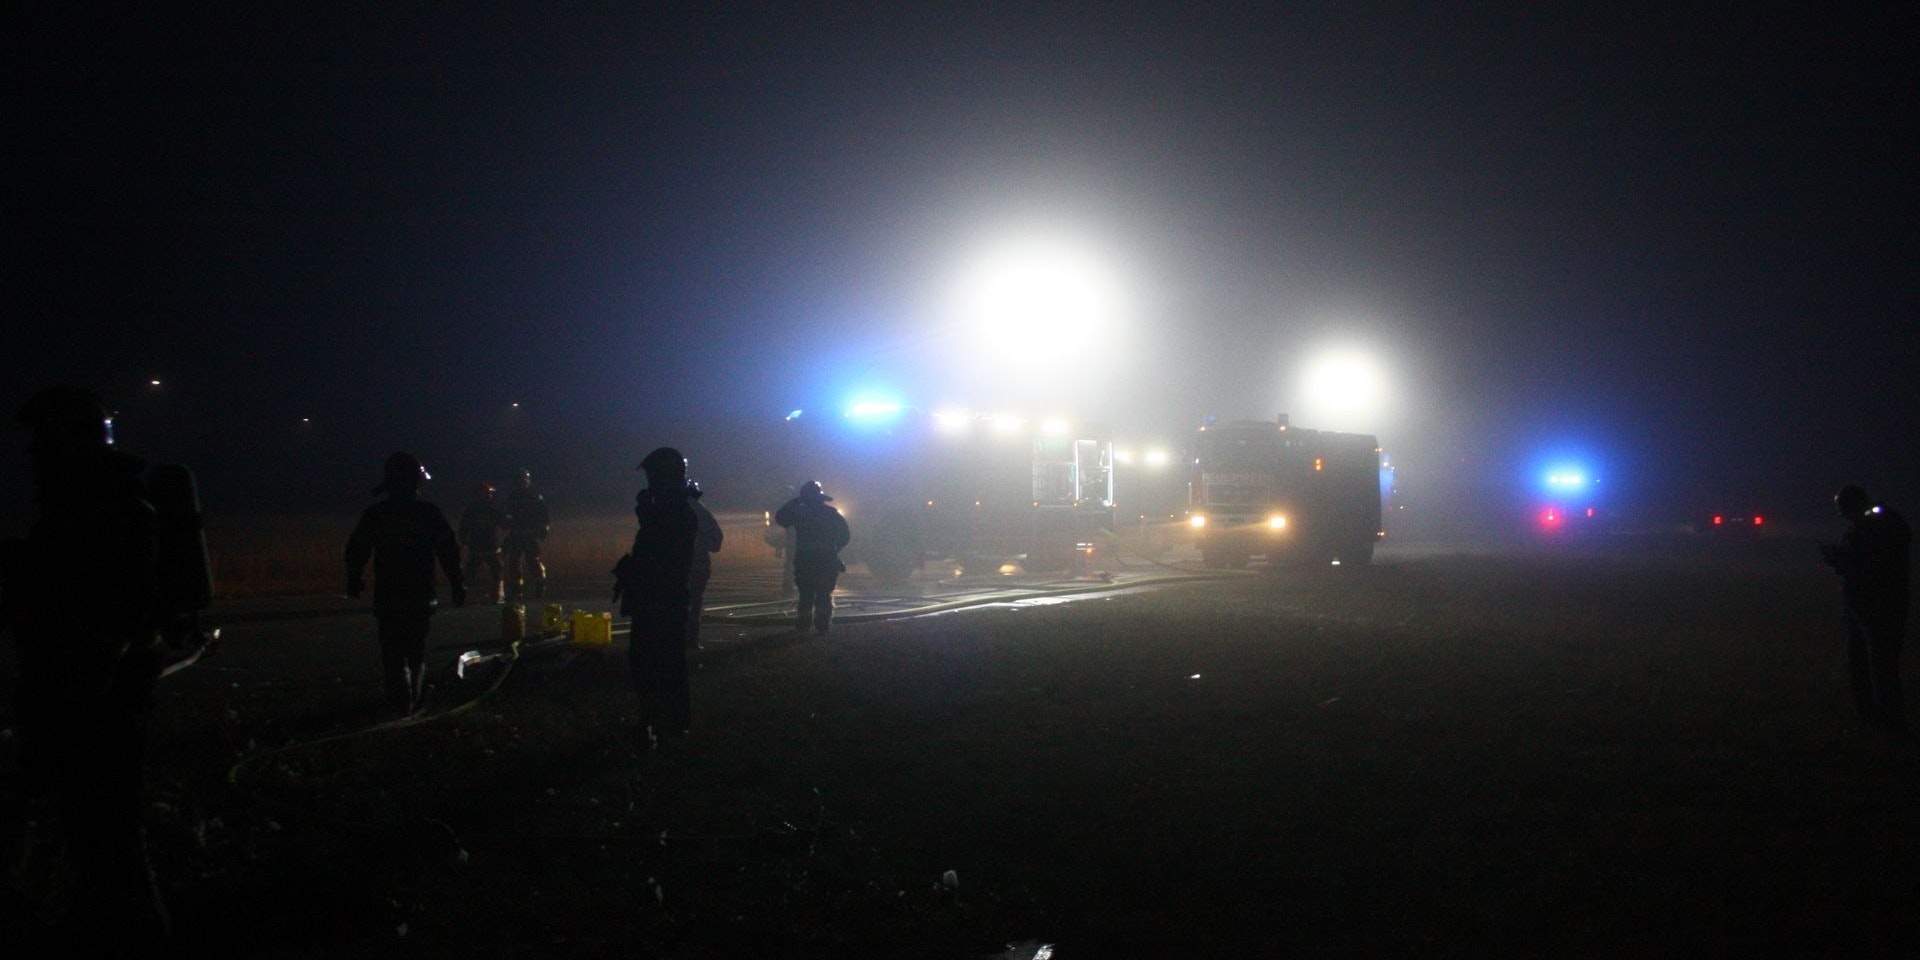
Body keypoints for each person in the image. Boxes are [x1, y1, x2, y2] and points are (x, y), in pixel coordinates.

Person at [2, 385, 171, 950]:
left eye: (43, 440)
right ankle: (107, 922)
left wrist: (80, 686)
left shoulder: (108, 511)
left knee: (107, 829)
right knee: (90, 829)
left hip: (97, 701)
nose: (33, 453)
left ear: (72, 441)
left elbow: (112, 608)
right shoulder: (80, 508)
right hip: (80, 693)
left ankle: (133, 933)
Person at [345, 452, 465, 717]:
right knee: (416, 650)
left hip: (388, 595)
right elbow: (448, 551)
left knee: (392, 651)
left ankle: (400, 702)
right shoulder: (428, 513)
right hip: (421, 595)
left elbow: (357, 549)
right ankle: (413, 702)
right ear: (417, 482)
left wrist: (354, 578)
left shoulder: (377, 514)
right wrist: (457, 584)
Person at [613, 447, 698, 747]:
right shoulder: (670, 508)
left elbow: (662, 553)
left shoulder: (675, 512)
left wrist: (647, 513)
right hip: (657, 596)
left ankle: (663, 722)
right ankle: (666, 721)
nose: (649, 482)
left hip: (662, 598)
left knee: (658, 661)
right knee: (655, 661)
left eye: (653, 475)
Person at [1822, 484, 1912, 738]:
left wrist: (1838, 558)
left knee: (1880, 665)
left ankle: (1891, 721)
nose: (1842, 515)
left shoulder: (1877, 525)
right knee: (1861, 663)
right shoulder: (1874, 524)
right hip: (1863, 604)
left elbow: (1870, 563)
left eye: (1843, 508)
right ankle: (1872, 716)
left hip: (1878, 605)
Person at [773, 480, 851, 634]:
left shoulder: (801, 514)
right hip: (826, 559)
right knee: (824, 593)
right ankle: (822, 625)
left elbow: (780, 518)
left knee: (806, 594)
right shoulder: (831, 514)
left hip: (805, 560)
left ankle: (804, 624)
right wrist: (835, 549)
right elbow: (845, 535)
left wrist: (797, 500)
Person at [685, 479, 724, 649]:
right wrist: (701, 544)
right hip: (698, 565)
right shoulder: (703, 512)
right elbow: (716, 542)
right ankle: (692, 640)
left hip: (672, 567)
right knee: (694, 603)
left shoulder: (665, 510)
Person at [502, 468, 550, 601]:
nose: (521, 483)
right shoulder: (512, 497)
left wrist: (543, 529)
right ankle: (516, 590)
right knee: (514, 563)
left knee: (533, 561)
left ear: (528, 481)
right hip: (516, 534)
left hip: (531, 535)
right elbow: (506, 514)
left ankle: (540, 586)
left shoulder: (535, 496)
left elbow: (544, 514)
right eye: (519, 480)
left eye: (523, 480)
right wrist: (506, 522)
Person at [458, 482, 508, 604]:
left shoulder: (471, 509)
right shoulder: (493, 509)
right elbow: (505, 524)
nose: (490, 495)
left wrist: (464, 541)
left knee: (470, 572)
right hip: (491, 546)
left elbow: (463, 527)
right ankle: (497, 597)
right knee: (497, 571)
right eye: (489, 493)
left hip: (477, 546)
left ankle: (463, 597)